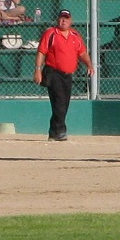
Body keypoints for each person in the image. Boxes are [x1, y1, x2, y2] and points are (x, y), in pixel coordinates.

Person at [33, 8, 89, 141]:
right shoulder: (50, 33)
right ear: (58, 19)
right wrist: (38, 69)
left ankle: (54, 132)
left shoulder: (75, 35)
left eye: (66, 18)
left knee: (64, 102)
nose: (64, 20)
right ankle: (60, 131)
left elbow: (82, 53)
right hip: (53, 72)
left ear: (71, 21)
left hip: (68, 74)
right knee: (59, 101)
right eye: (62, 18)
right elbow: (42, 52)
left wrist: (89, 65)